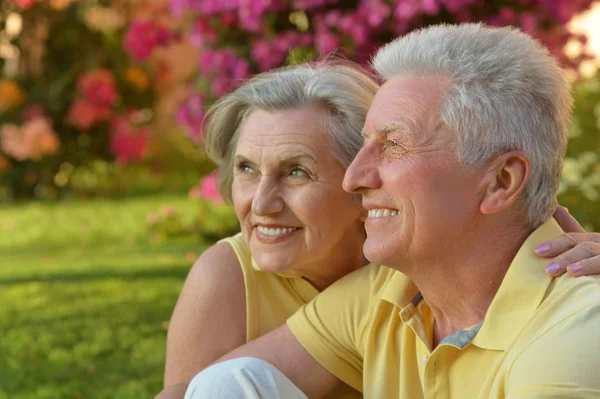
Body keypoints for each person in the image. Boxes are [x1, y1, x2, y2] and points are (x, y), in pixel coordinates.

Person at [182, 23, 600, 399]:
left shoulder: (577, 333)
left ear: (501, 181)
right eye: (366, 143)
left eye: (394, 145)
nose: (354, 178)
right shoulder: (386, 295)